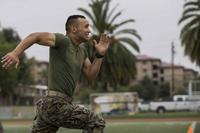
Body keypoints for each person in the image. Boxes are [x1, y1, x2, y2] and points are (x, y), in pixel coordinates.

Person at [1, 15, 111, 133]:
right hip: (55, 105)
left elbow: (90, 75)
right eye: (86, 27)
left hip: (55, 105)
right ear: (74, 29)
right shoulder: (63, 41)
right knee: (96, 122)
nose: (89, 30)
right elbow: (35, 36)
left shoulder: (82, 51)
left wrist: (99, 56)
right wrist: (15, 53)